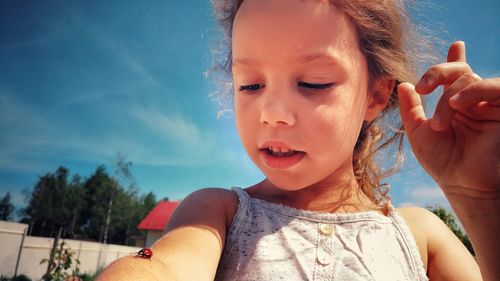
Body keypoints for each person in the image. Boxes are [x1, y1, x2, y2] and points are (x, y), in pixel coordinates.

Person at [97, 0, 500, 280]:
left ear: (376, 95)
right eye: (250, 85)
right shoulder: (218, 213)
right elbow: (163, 267)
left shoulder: (419, 236)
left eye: (312, 83)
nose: (272, 112)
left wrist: (482, 200)